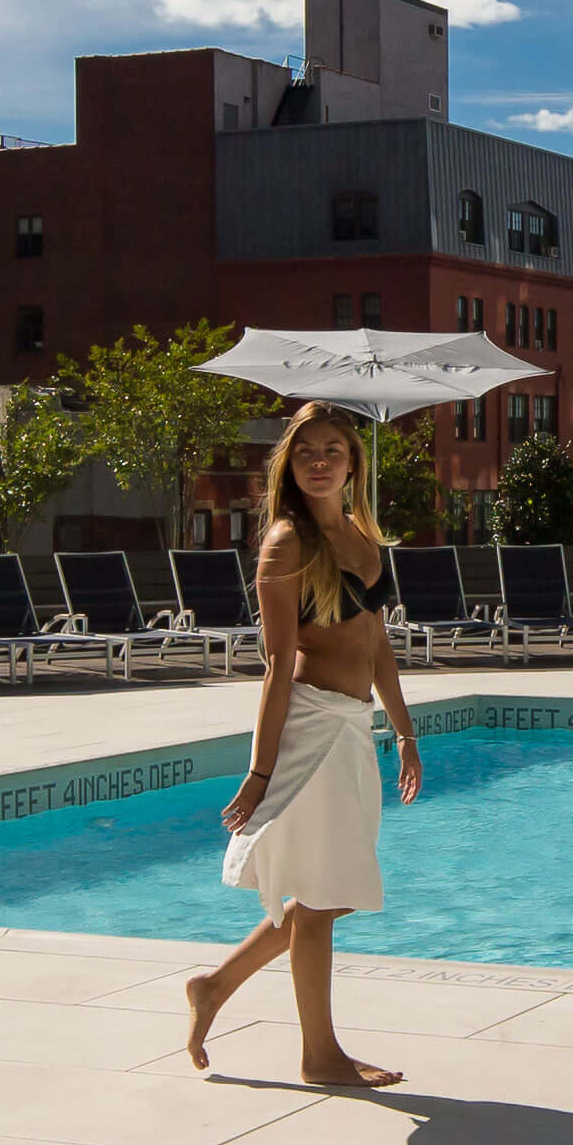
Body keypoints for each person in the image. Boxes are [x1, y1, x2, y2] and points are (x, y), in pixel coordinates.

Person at [183, 402, 422, 1088]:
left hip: (353, 727)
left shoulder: (364, 539)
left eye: (332, 451)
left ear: (353, 464)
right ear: (289, 465)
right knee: (321, 897)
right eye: (306, 452)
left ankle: (215, 986)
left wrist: (404, 731)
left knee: (333, 889)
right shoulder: (287, 545)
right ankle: (320, 1056)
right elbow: (276, 663)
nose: (319, 461)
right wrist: (260, 772)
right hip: (312, 728)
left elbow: (376, 644)